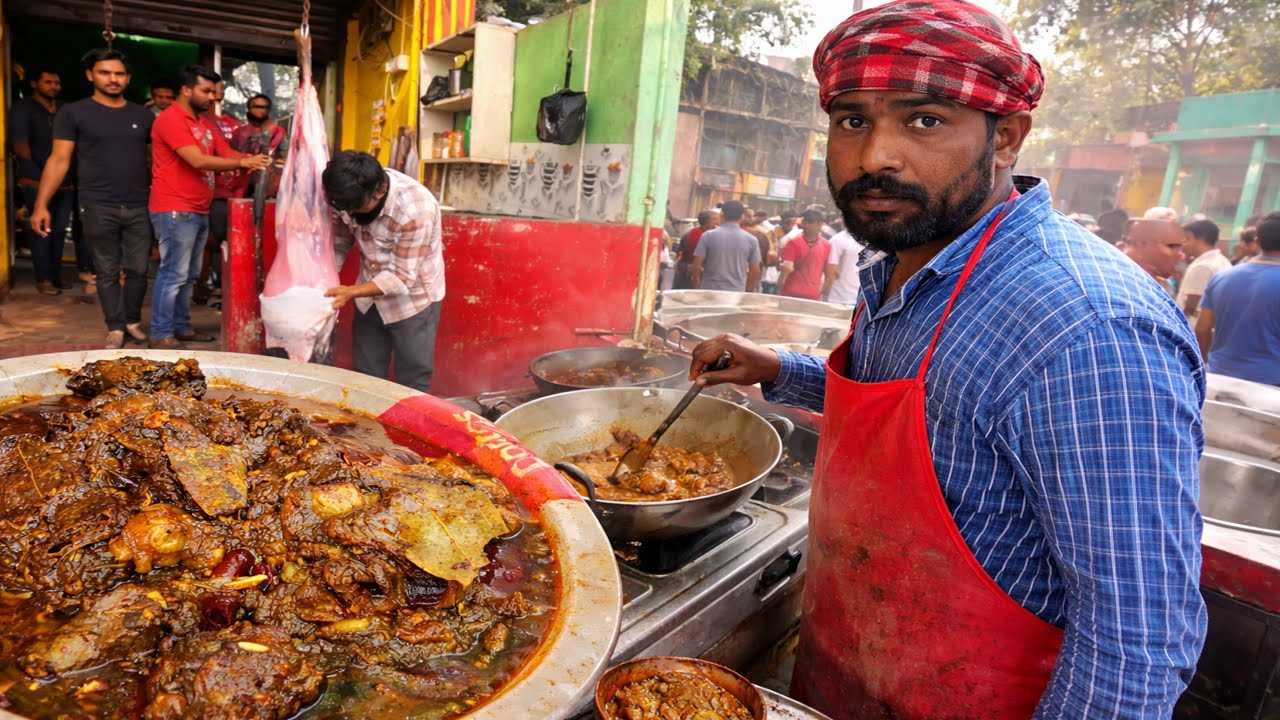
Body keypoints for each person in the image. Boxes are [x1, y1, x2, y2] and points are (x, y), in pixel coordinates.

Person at [687, 1, 1206, 717]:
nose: (874, 157)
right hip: (853, 669)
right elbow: (935, 417)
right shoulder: (903, 265)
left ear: (1007, 138)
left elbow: (1136, 641)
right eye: (852, 120)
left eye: (924, 120)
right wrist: (780, 369)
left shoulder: (1088, 329)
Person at [30, 48, 156, 349]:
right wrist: (40, 204)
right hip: (98, 204)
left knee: (139, 269)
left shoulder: (142, 115)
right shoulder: (73, 112)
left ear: (128, 78)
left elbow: (154, 161)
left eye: (119, 73)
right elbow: (59, 160)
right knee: (107, 269)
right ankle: (114, 326)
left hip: (140, 203)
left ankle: (132, 320)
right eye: (105, 73)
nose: (113, 79)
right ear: (91, 75)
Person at [148, 64, 271, 349]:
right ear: (186, 89)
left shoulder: (203, 123)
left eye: (214, 93)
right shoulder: (171, 119)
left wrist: (255, 158)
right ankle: (161, 332)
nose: (211, 98)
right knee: (173, 274)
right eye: (205, 91)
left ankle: (181, 327)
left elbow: (225, 152)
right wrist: (243, 162)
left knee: (189, 275)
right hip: (174, 207)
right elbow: (198, 160)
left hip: (198, 207)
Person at [321, 151, 446, 393]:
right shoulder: (347, 196)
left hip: (414, 301)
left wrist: (350, 292)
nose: (351, 215)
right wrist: (326, 276)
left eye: (356, 208)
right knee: (366, 378)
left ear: (378, 192)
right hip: (368, 298)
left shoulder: (415, 210)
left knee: (412, 379)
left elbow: (401, 277)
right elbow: (340, 239)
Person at [1196, 211, 1280, 386]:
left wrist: (1203, 366)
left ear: (1256, 242)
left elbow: (1203, 328)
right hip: (1271, 386)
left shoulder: (1222, 277)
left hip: (1220, 376)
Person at [10, 66, 74, 295]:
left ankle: (55, 276)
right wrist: (47, 172)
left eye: (56, 83)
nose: (54, 87)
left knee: (58, 231)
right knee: (41, 230)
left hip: (65, 182)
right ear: (34, 84)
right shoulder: (23, 108)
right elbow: (21, 147)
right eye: (48, 82)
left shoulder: (63, 110)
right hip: (35, 180)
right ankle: (43, 279)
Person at [692, 200, 761, 292]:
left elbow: (696, 265)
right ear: (742, 217)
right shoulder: (751, 240)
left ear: (722, 214)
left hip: (709, 290)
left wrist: (697, 287)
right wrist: (748, 289)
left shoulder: (708, 236)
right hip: (735, 292)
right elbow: (755, 270)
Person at [1176, 218, 1232, 322]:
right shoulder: (1222, 261)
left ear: (1201, 239)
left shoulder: (1201, 267)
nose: (1183, 244)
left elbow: (1191, 306)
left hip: (1193, 326)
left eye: (1187, 239)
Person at [777, 209, 831, 300]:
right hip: (813, 294)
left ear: (819, 224)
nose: (803, 225)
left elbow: (787, 267)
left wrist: (780, 284)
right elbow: (829, 274)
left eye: (806, 222)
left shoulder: (793, 242)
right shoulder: (826, 245)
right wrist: (824, 290)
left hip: (790, 292)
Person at [1125, 217, 1186, 292]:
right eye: (1173, 246)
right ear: (1141, 244)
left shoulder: (1160, 284)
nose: (1181, 255)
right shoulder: (1132, 280)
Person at [674, 210, 716, 289]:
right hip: (690, 274)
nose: (716, 222)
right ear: (707, 221)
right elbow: (680, 256)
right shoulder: (697, 235)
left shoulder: (689, 234)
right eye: (713, 219)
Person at [822, 228, 863, 305]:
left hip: (856, 299)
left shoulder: (838, 240)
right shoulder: (838, 240)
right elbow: (830, 272)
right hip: (838, 299)